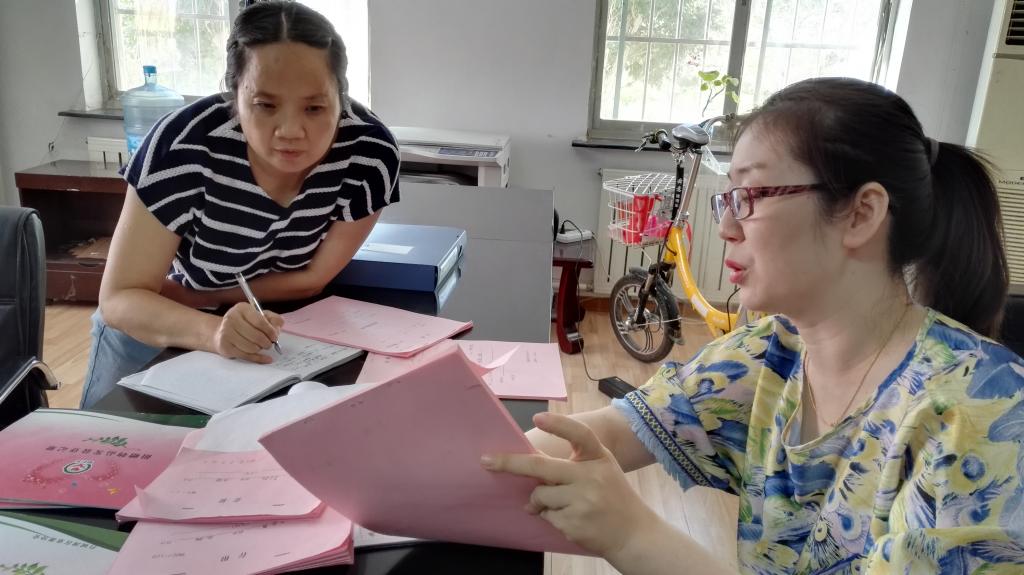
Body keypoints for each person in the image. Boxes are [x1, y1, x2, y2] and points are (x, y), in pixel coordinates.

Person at [484, 77, 1024, 573]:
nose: (725, 226)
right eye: (728, 198)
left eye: (752, 197)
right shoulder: (773, 351)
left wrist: (630, 534)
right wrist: (470, 463)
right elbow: (608, 432)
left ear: (861, 214)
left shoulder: (986, 417)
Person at [80, 1, 400, 408]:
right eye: (265, 105)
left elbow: (313, 278)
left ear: (342, 97)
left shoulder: (369, 155)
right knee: (116, 436)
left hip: (276, 327)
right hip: (159, 324)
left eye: (315, 107)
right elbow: (121, 297)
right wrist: (213, 330)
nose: (291, 131)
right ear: (234, 95)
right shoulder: (180, 149)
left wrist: (201, 298)